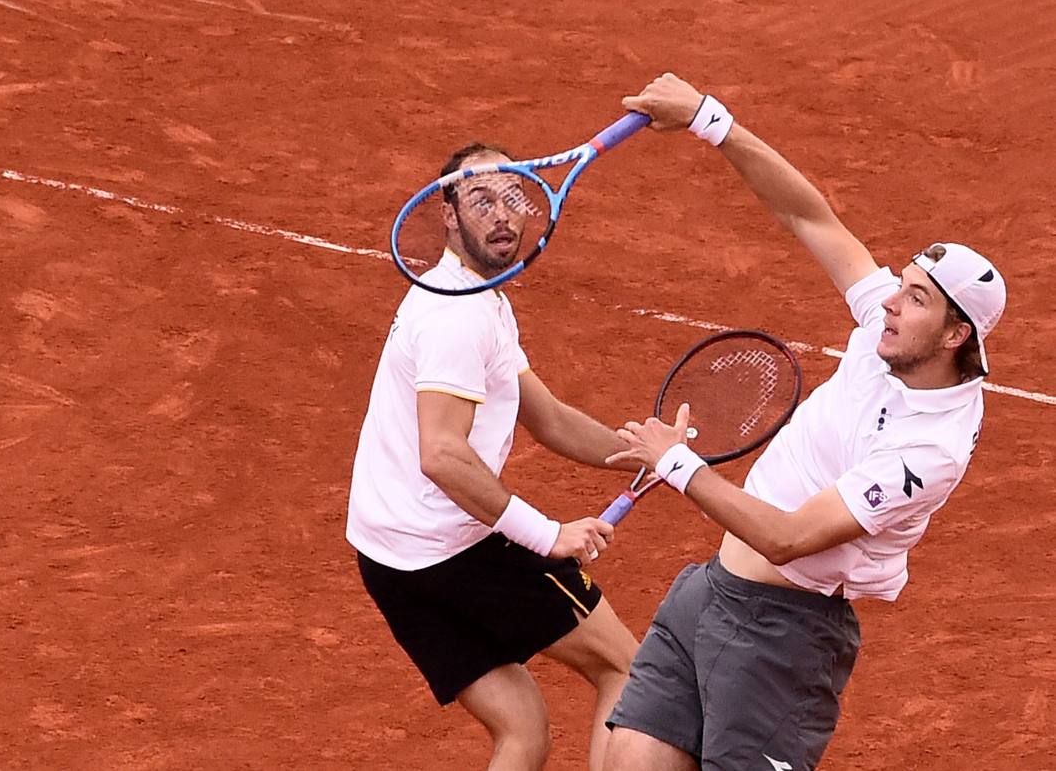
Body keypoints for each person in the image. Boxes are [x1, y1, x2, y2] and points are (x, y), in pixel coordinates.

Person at [600, 74, 1008, 771]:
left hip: (780, 636)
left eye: (913, 297)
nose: (890, 303)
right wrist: (709, 118)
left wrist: (677, 464)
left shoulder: (929, 450)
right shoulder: (893, 340)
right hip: (711, 594)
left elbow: (787, 539)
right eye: (901, 284)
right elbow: (812, 217)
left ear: (952, 337)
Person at [347, 142, 642, 771]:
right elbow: (444, 456)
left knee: (524, 729)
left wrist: (644, 454)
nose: (502, 214)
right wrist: (547, 535)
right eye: (481, 199)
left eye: (513, 196)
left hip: (387, 558)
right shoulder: (458, 317)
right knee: (626, 667)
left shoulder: (476, 297)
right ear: (448, 213)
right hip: (449, 551)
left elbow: (550, 418)